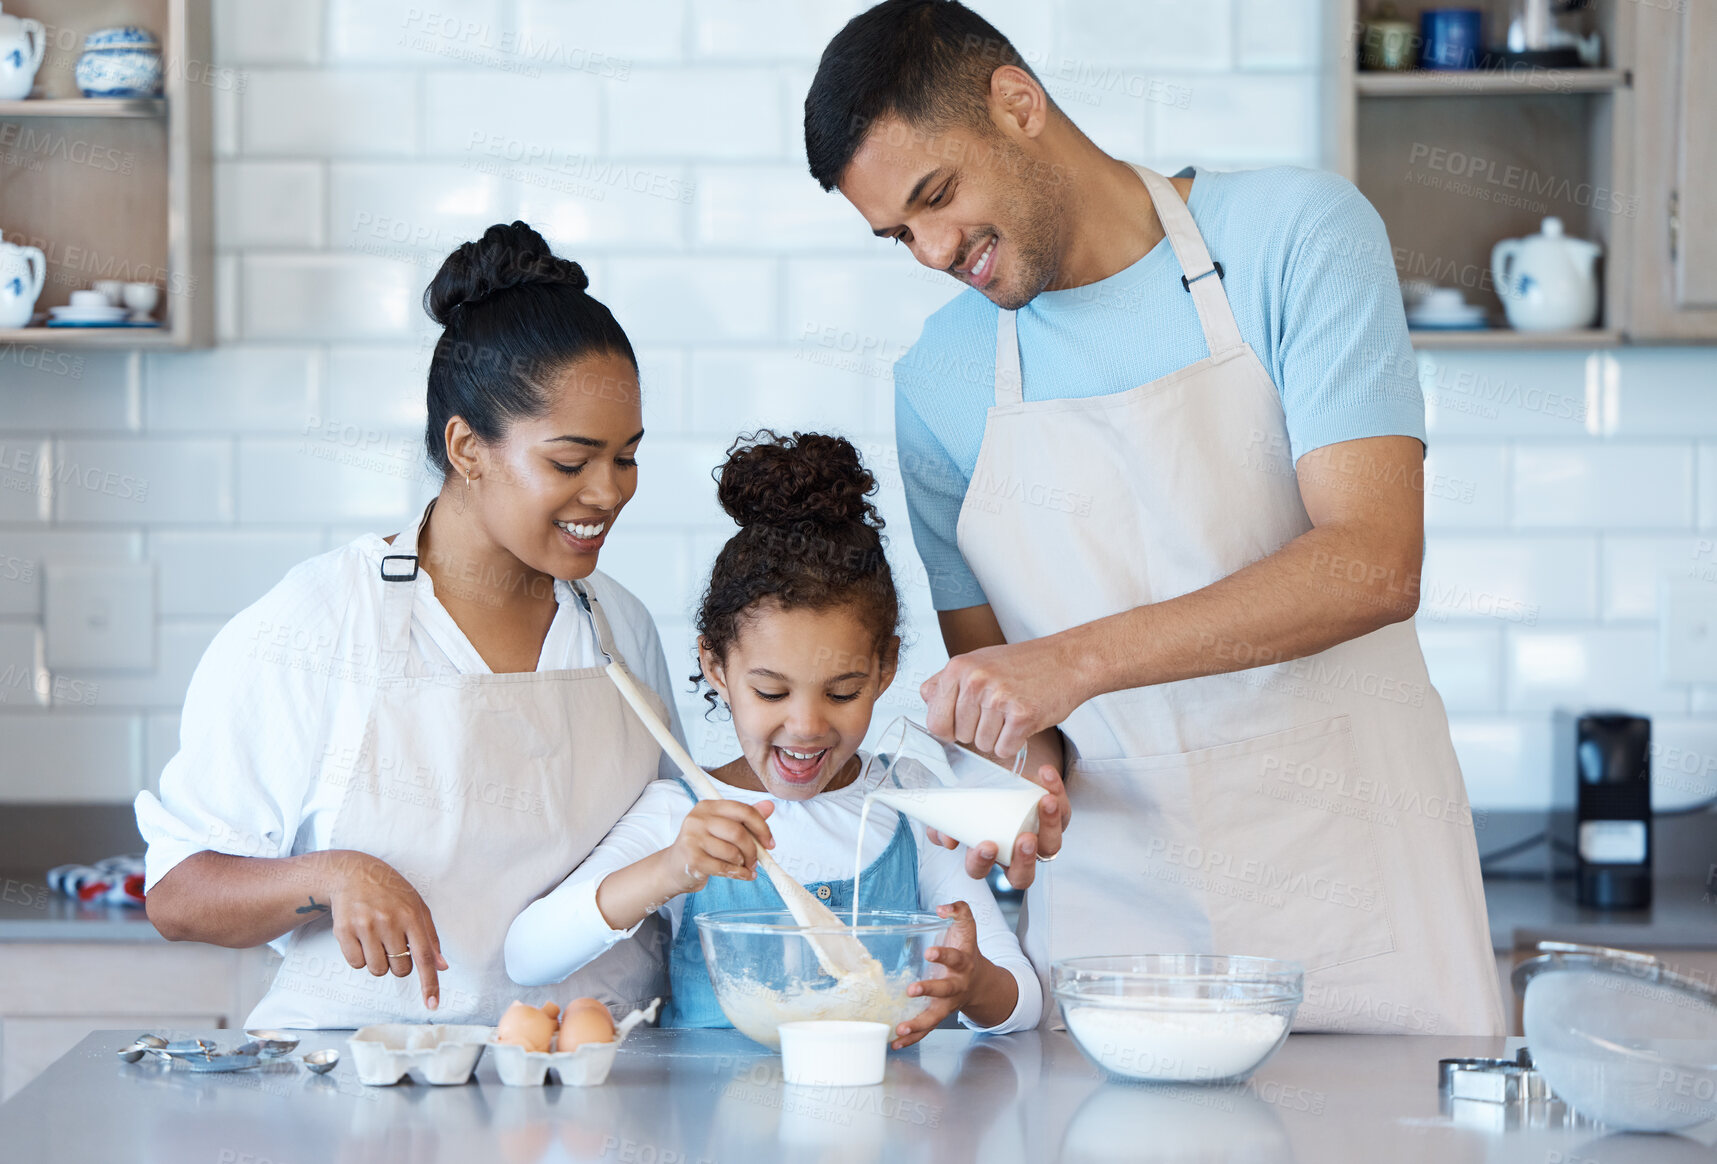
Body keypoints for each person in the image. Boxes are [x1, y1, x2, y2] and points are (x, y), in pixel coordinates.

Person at [803, 0, 1504, 1034]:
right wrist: (1027, 774)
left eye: (937, 195)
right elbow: (1012, 700)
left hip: (1363, 894)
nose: (934, 249)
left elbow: (1372, 564)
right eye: (899, 233)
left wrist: (1074, 662)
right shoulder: (937, 383)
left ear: (1017, 103)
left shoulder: (1294, 235)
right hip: (1119, 938)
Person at [135, 222, 686, 1029]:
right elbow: (179, 893)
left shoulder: (617, 626)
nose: (608, 493)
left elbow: (658, 852)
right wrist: (329, 876)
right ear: (467, 447)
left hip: (594, 1100)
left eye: (626, 457)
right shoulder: (319, 623)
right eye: (571, 462)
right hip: (366, 1109)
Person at [505, 432, 1040, 1047]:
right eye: (771, 693)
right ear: (716, 666)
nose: (808, 726)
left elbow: (1023, 1000)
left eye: (842, 692)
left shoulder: (911, 806)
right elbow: (526, 956)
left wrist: (975, 988)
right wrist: (670, 869)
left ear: (885, 667)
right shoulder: (685, 815)